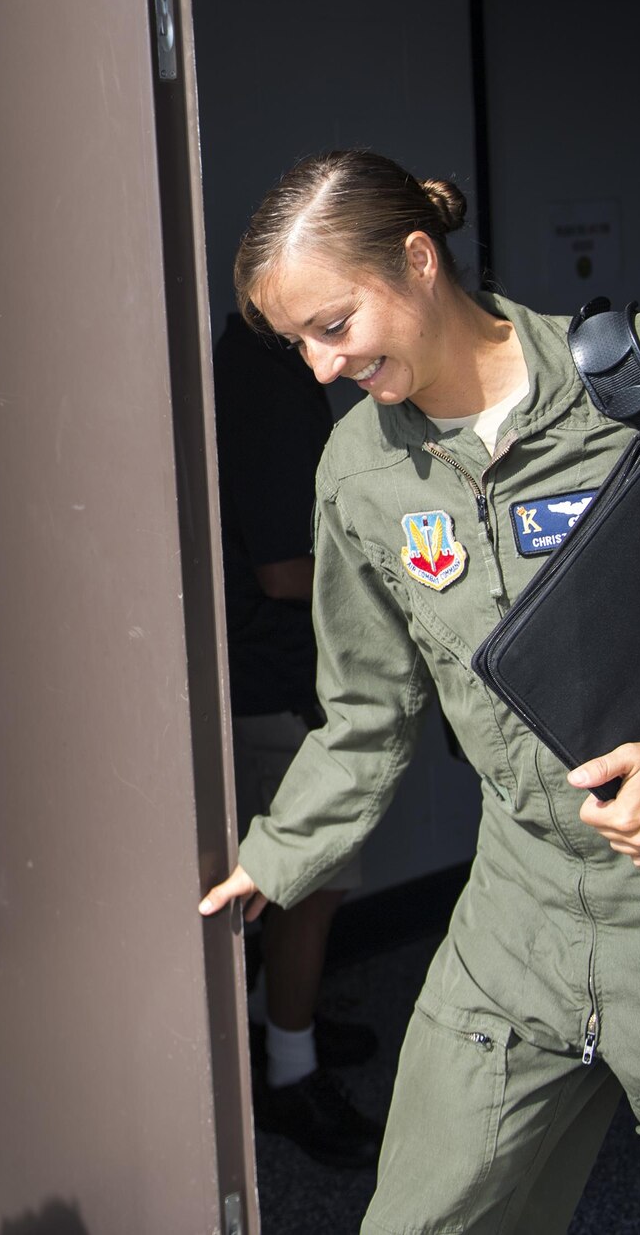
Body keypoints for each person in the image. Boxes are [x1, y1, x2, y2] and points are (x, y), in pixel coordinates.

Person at [197, 150, 640, 1234]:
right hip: (518, 906)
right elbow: (369, 711)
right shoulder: (359, 476)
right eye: (297, 344)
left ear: (417, 260)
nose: (320, 367)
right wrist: (273, 857)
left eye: (331, 325)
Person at [212, 311, 383, 1169]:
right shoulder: (269, 374)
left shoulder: (244, 360)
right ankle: (289, 1071)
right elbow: (286, 570)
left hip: (253, 668)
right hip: (281, 673)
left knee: (282, 886)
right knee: (309, 882)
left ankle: (277, 1027)